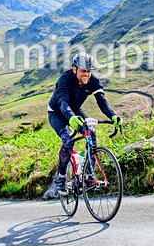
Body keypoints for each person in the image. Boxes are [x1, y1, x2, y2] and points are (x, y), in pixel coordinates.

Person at [48, 52, 121, 195]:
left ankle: (88, 175)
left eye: (88, 71)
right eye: (83, 71)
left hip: (75, 111)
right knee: (68, 139)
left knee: (91, 133)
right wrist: (70, 118)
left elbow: (102, 101)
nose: (86, 74)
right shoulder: (64, 80)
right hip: (57, 112)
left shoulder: (93, 80)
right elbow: (62, 103)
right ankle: (61, 177)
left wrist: (113, 116)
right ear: (74, 69)